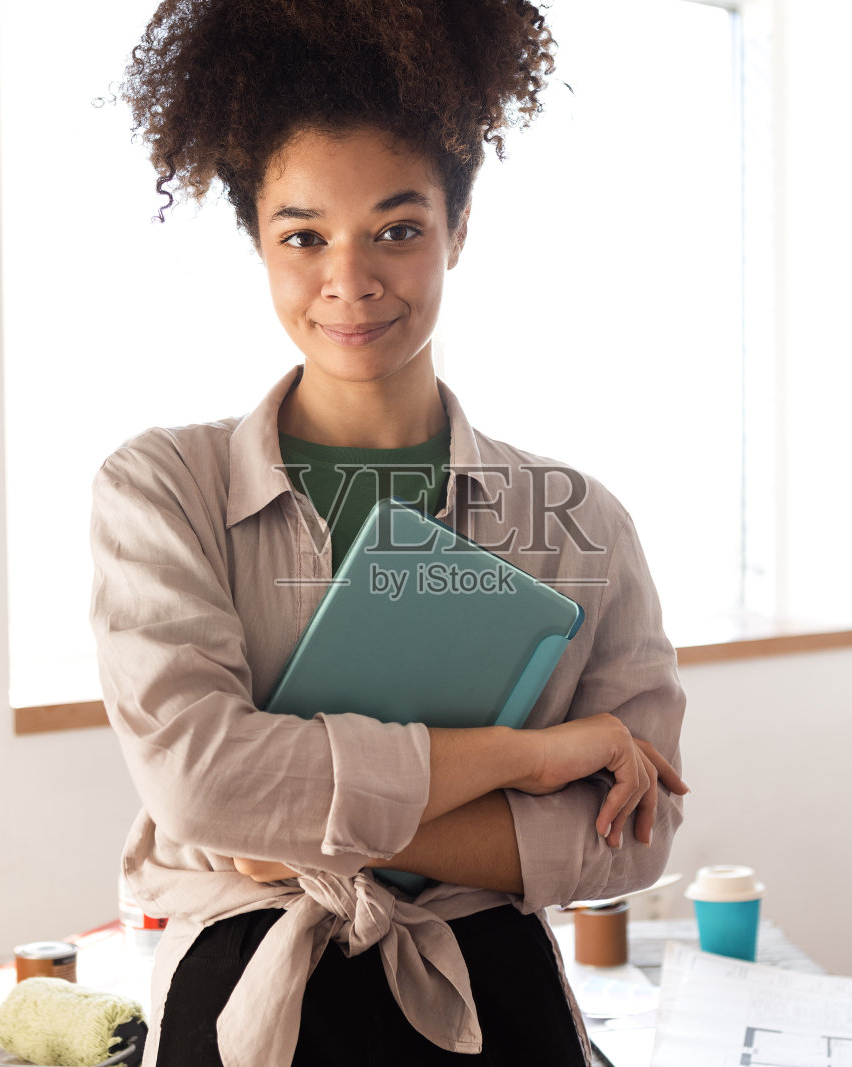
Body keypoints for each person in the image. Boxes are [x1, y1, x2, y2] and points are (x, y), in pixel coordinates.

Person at [91, 2, 689, 1064]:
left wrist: (290, 832)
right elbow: (199, 782)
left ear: (459, 226)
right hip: (248, 989)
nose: (350, 280)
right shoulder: (162, 487)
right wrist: (528, 756)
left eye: (398, 229)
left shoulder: (579, 521)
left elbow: (629, 834)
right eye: (304, 235)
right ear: (258, 241)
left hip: (492, 1000)